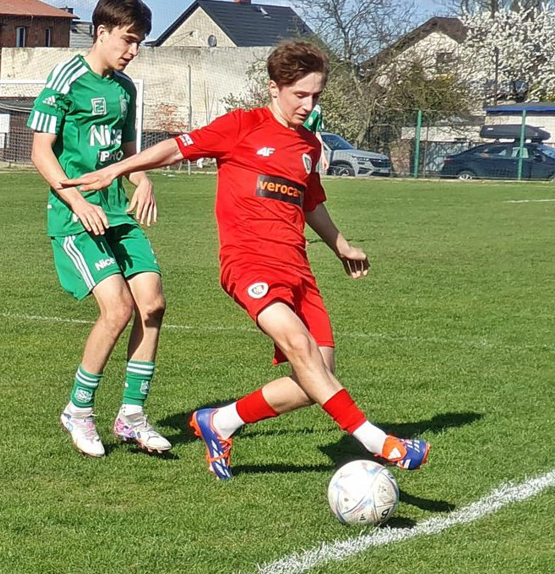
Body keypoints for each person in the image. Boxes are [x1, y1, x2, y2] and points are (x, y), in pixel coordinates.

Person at [66, 40, 428, 479]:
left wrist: (341, 245)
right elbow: (176, 148)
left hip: (298, 269)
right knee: (301, 349)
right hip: (249, 264)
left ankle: (220, 423)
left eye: (316, 96)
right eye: (300, 95)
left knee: (317, 378)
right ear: (275, 88)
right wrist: (117, 170)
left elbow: (310, 202)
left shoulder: (309, 146)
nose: (308, 105)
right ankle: (380, 443)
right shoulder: (241, 126)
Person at [28, 0, 171, 459]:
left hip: (116, 212)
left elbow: (128, 154)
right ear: (101, 32)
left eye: (140, 42)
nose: (133, 50)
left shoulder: (126, 89)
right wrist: (75, 199)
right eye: (128, 40)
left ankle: (132, 416)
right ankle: (79, 410)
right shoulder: (66, 78)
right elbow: (40, 152)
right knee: (118, 309)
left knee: (152, 304)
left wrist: (143, 179)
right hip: (76, 216)